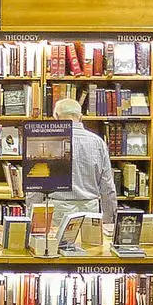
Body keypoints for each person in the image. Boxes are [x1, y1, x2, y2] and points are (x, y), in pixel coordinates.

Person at [55, 96, 118, 225]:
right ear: (81, 117)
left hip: (58, 209)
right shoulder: (97, 142)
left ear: (56, 116)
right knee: (89, 245)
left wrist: (31, 213)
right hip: (90, 209)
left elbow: (36, 185)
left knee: (58, 245)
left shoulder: (50, 141)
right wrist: (108, 220)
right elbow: (107, 186)